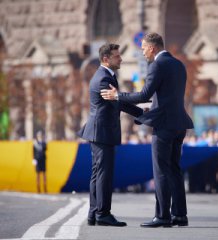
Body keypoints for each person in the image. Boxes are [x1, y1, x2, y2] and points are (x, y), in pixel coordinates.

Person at [101, 33, 194, 227]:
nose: (142, 52)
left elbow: (144, 94)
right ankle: (180, 215)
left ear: (152, 48)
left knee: (160, 171)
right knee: (175, 170)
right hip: (179, 124)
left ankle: (162, 216)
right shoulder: (179, 64)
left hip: (164, 125)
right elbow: (169, 96)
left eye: (143, 48)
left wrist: (118, 96)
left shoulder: (157, 65)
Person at [77, 43, 143, 227]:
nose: (120, 58)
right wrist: (142, 110)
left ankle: (94, 213)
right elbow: (118, 102)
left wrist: (141, 114)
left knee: (98, 174)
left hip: (99, 132)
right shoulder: (104, 79)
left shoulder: (105, 76)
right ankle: (103, 213)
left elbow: (118, 102)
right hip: (102, 132)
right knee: (103, 174)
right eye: (117, 56)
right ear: (106, 59)